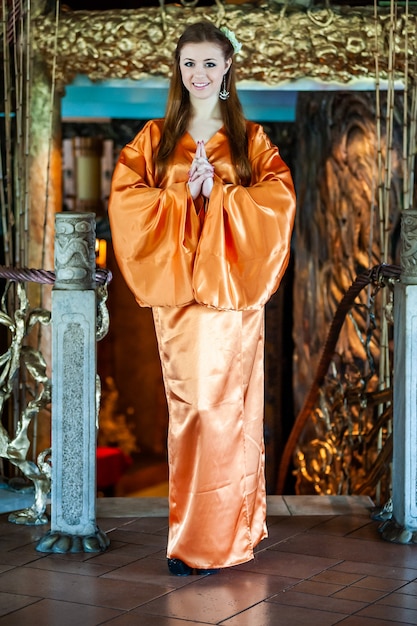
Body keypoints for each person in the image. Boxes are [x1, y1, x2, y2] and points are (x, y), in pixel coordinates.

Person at [108, 20, 296, 576]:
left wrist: (223, 194)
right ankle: (201, 534)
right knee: (189, 414)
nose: (199, 74)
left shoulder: (250, 141)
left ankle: (209, 540)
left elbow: (278, 202)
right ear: (179, 69)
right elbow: (126, 201)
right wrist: (178, 194)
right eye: (189, 63)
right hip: (180, 297)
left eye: (210, 63)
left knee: (222, 414)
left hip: (231, 300)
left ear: (228, 67)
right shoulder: (155, 137)